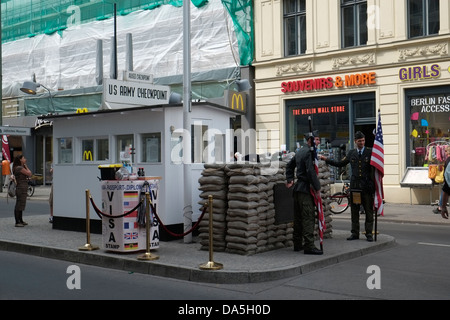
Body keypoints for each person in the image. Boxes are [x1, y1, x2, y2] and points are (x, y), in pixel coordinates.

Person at [320, 131, 375, 241]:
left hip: (367, 187)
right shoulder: (351, 153)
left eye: (363, 141)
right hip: (355, 187)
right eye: (359, 141)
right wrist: (327, 160)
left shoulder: (370, 152)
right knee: (354, 211)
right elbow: (340, 163)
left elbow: (376, 168)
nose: (362, 143)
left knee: (369, 211)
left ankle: (369, 233)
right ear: (355, 141)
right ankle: (355, 233)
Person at [285, 132, 323, 255]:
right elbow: (311, 172)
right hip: (306, 189)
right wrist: (317, 188)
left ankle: (297, 243)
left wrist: (290, 179)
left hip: (297, 189)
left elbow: (289, 166)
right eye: (316, 140)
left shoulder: (300, 151)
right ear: (309, 141)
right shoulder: (309, 153)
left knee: (298, 218)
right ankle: (309, 246)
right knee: (308, 218)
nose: (318, 142)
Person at [12, 154, 32, 227]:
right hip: (21, 188)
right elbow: (29, 173)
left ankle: (20, 220)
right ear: (20, 160)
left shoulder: (18, 167)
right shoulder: (19, 168)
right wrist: (26, 166)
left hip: (22, 187)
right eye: (24, 158)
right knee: (19, 204)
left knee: (21, 204)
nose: (25, 159)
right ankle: (17, 222)